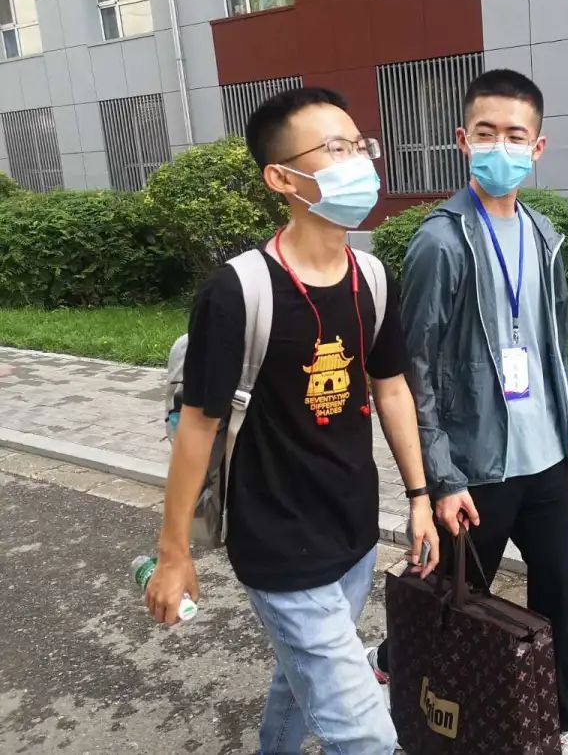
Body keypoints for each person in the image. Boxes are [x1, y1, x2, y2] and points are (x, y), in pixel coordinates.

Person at [144, 87, 440, 755]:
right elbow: (198, 427)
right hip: (277, 544)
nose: (358, 161)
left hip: (353, 533)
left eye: (359, 145)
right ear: (281, 178)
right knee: (367, 735)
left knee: (298, 679)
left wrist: (419, 497)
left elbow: (392, 389)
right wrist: (173, 552)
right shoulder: (237, 292)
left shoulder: (372, 278)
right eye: (335, 149)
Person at [368, 70, 568, 755]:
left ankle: (564, 723)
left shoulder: (543, 233)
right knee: (454, 595)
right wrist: (441, 478)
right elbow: (416, 370)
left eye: (515, 135)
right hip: (477, 465)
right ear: (463, 141)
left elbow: (552, 339)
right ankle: (393, 669)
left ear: (538, 147)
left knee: (558, 594)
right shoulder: (441, 242)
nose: (501, 146)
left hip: (545, 457)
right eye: (486, 133)